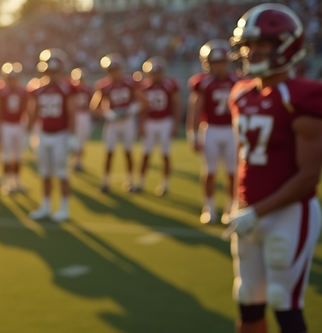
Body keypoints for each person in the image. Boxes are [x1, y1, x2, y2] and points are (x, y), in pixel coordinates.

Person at [200, 3, 322, 333]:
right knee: (247, 303)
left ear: (287, 47)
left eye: (261, 44)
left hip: (289, 214)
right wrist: (240, 206)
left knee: (285, 307)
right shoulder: (241, 93)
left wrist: (258, 211)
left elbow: (309, 175)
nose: (251, 53)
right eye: (247, 45)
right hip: (250, 214)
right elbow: (247, 162)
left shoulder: (302, 95)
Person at [187, 39, 240, 224]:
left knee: (233, 172)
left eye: (221, 62)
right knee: (210, 171)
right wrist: (192, 134)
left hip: (232, 130)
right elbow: (195, 109)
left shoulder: (237, 81)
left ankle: (231, 207)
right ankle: (209, 207)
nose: (219, 67)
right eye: (215, 63)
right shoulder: (203, 83)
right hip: (210, 129)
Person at [26, 49, 76, 221]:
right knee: (45, 174)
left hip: (61, 135)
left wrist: (73, 136)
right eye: (49, 71)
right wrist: (29, 133)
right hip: (43, 134)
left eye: (55, 71)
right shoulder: (38, 90)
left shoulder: (66, 89)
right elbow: (32, 112)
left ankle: (64, 208)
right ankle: (45, 206)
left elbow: (72, 113)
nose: (52, 75)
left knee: (62, 173)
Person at [91, 54, 141, 193]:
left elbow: (143, 101)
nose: (114, 73)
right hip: (113, 123)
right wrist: (108, 114)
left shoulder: (130, 83)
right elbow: (94, 107)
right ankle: (105, 181)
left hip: (127, 122)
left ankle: (130, 181)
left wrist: (132, 109)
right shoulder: (104, 85)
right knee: (109, 152)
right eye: (111, 70)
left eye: (116, 69)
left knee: (128, 152)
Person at [137, 57, 180, 196]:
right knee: (146, 154)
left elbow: (176, 105)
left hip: (165, 121)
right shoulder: (144, 86)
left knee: (165, 154)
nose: (155, 75)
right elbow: (142, 108)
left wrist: (175, 124)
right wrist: (141, 124)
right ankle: (141, 182)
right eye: (153, 72)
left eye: (158, 72)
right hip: (150, 122)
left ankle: (165, 184)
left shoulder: (168, 85)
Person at [0, 62, 28, 194]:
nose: (12, 81)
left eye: (14, 78)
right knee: (7, 155)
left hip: (18, 124)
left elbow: (25, 108)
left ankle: (17, 182)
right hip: (6, 124)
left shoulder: (22, 91)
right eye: (10, 78)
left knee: (18, 155)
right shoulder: (1, 91)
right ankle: (7, 183)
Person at [69, 68, 93, 171]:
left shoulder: (88, 90)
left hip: (85, 114)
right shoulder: (71, 89)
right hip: (76, 114)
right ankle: (73, 160)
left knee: (82, 139)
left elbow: (92, 103)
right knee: (74, 139)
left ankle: (78, 161)